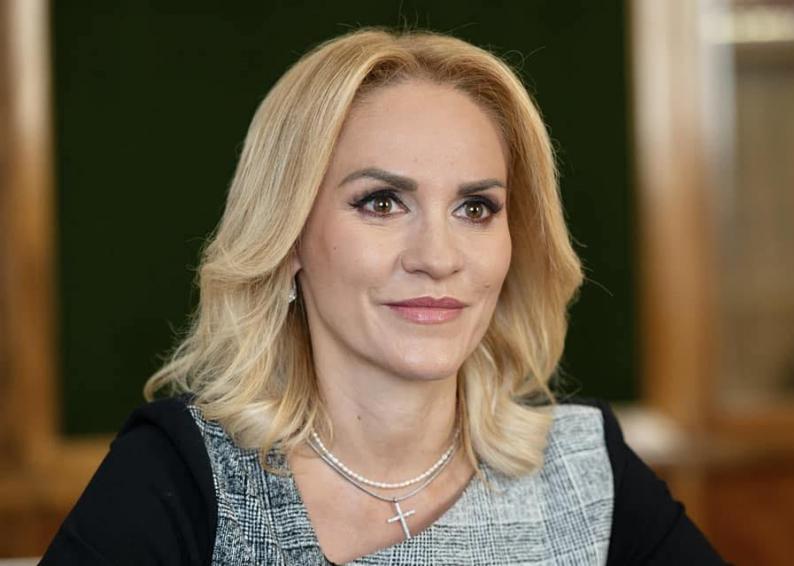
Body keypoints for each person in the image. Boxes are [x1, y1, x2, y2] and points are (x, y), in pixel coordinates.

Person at [41, 27, 726, 565]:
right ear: (287, 238)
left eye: (476, 208)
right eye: (382, 202)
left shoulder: (586, 471)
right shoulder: (178, 474)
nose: (438, 258)